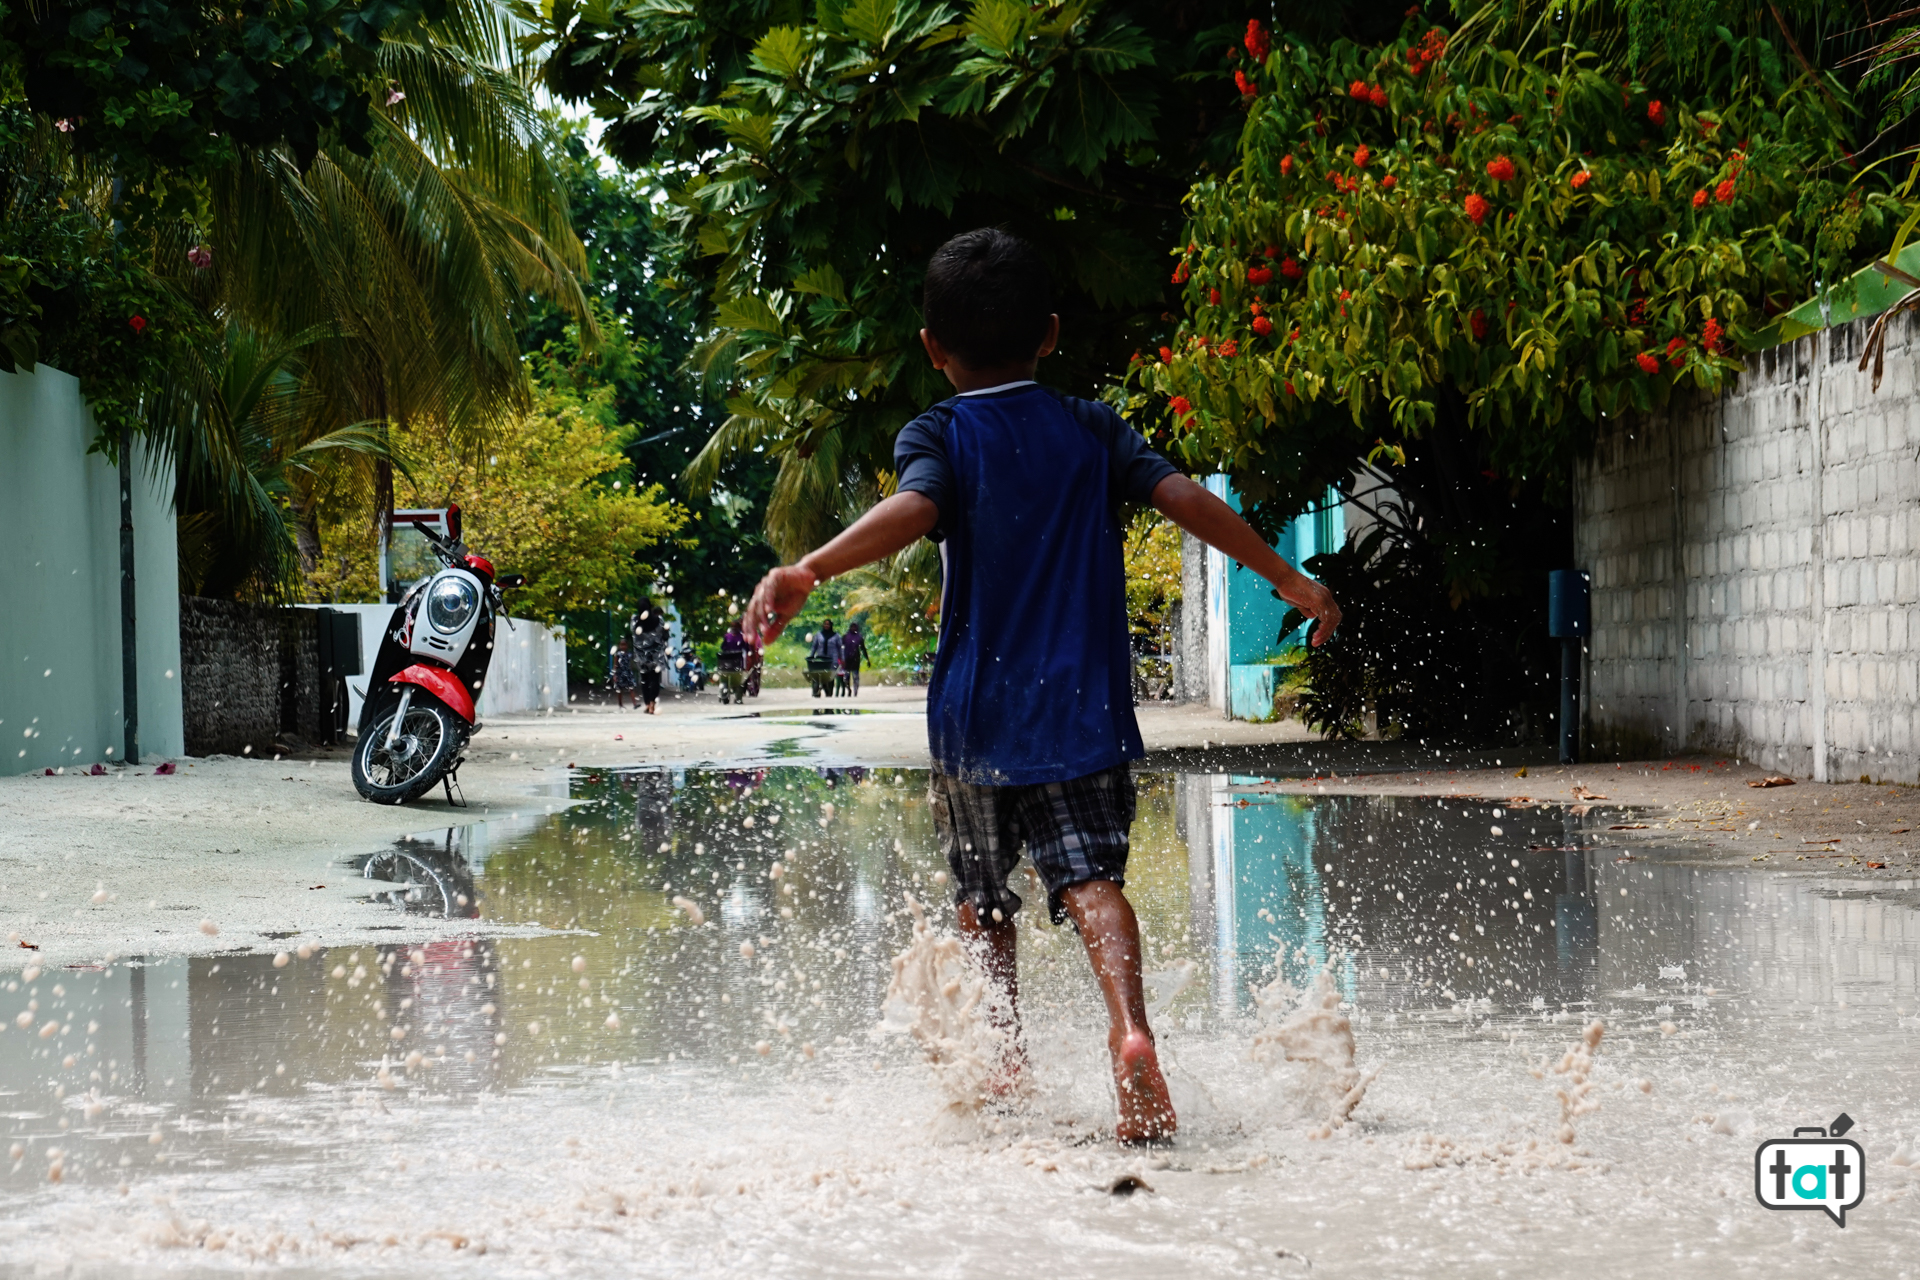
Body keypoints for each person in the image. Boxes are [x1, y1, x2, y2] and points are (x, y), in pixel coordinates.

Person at [744, 228, 1341, 1144]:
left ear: (933, 350)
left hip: (975, 722)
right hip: (1083, 714)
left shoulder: (937, 431)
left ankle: (1007, 1059)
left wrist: (810, 568)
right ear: (1051, 335)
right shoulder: (1093, 430)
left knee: (985, 903)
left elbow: (915, 510)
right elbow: (1185, 497)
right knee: (1093, 881)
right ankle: (1131, 1030)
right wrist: (1287, 578)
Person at [631, 604, 668, 715]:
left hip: (642, 656)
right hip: (656, 655)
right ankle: (652, 704)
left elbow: (634, 634)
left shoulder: (634, 621)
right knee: (655, 680)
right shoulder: (659, 620)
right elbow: (665, 636)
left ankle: (647, 704)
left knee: (645, 681)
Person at [718, 623, 748, 704]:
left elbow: (723, 647)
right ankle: (738, 699)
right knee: (738, 683)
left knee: (724, 681)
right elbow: (746, 648)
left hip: (725, 663)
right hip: (737, 664)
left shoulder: (727, 636)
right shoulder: (742, 637)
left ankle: (723, 696)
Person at [806, 619, 837, 698]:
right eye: (825, 624)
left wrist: (841, 659)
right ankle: (815, 691)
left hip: (831, 659)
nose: (826, 626)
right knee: (817, 675)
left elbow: (839, 648)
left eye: (828, 624)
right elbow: (814, 647)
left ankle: (829, 692)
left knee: (829, 676)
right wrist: (811, 657)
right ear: (823, 625)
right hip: (820, 659)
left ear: (831, 625)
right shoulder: (818, 635)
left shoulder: (835, 636)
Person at [839, 620, 869, 696]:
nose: (853, 628)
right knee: (846, 678)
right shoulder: (845, 637)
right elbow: (841, 648)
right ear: (850, 627)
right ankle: (848, 689)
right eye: (852, 627)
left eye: (855, 627)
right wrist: (841, 659)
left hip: (855, 660)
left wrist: (867, 659)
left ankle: (855, 691)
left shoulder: (859, 637)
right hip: (846, 660)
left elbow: (863, 648)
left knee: (855, 676)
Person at [610, 637, 639, 710]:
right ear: (619, 646)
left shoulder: (629, 654)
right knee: (620, 690)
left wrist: (632, 671)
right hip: (620, 673)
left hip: (628, 673)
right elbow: (615, 665)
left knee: (631, 688)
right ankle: (620, 704)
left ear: (627, 645)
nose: (623, 646)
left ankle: (635, 704)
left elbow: (631, 664)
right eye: (621, 645)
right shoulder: (618, 654)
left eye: (624, 645)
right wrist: (614, 675)